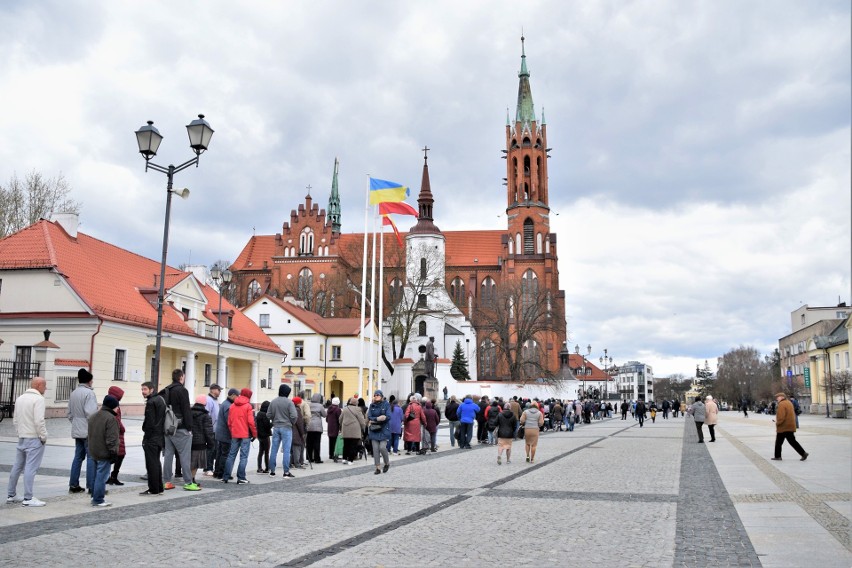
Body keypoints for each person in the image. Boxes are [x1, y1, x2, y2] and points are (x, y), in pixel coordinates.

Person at [6, 377, 48, 507]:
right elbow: (39, 421)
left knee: (17, 466)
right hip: (34, 437)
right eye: (44, 386)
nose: (45, 389)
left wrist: (20, 432)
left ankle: (11, 494)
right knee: (31, 467)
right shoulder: (39, 399)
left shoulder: (20, 398)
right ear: (39, 385)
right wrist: (43, 436)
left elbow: (15, 419)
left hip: (22, 436)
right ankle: (28, 497)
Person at [160, 369, 194, 491]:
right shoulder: (182, 390)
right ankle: (188, 482)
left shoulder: (166, 390)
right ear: (181, 377)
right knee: (184, 455)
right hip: (180, 427)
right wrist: (189, 427)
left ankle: (167, 481)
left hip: (168, 426)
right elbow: (186, 409)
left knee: (168, 454)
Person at [67, 368, 97, 494]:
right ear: (89, 381)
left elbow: (69, 413)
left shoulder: (73, 393)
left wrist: (76, 423)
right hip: (88, 429)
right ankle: (91, 486)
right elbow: (91, 413)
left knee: (78, 457)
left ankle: (73, 484)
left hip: (76, 428)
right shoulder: (89, 393)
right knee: (91, 457)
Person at [88, 395, 120, 507]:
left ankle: (94, 495)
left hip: (93, 451)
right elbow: (112, 439)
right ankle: (98, 499)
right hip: (104, 452)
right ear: (112, 407)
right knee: (102, 476)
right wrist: (113, 453)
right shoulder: (111, 419)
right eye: (117, 407)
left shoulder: (93, 416)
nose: (118, 409)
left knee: (95, 475)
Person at [222, 388, 256, 484]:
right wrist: (254, 434)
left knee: (231, 455)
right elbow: (251, 422)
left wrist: (232, 431)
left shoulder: (232, 405)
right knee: (243, 456)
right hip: (245, 434)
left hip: (235, 434)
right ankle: (241, 477)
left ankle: (226, 476)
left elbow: (229, 422)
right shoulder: (248, 406)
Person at [139, 381, 165, 496]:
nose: (143, 392)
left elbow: (149, 423)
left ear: (151, 390)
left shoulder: (151, 402)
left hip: (152, 437)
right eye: (142, 389)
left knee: (151, 464)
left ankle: (153, 489)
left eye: (145, 389)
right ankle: (159, 487)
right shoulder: (160, 399)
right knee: (156, 462)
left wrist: (146, 436)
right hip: (159, 436)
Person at [267, 384, 297, 478]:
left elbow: (268, 414)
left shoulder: (273, 402)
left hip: (276, 427)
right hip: (287, 427)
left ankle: (272, 471)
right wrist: (292, 422)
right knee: (286, 450)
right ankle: (286, 472)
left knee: (273, 450)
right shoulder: (289, 402)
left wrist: (274, 419)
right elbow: (294, 416)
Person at [771, 392, 808, 461]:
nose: (777, 398)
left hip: (783, 427)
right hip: (789, 425)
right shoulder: (788, 402)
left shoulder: (782, 404)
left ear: (782, 397)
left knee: (779, 442)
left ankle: (778, 456)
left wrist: (778, 423)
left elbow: (781, 416)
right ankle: (803, 453)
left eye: (778, 397)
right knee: (792, 441)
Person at [189, 395, 214, 489]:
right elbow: (208, 431)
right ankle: (191, 479)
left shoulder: (189, 413)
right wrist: (211, 443)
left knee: (189, 461)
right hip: (200, 442)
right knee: (195, 463)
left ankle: (190, 479)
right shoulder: (205, 416)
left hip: (188, 440)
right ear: (205, 404)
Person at [213, 389, 238, 479]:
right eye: (237, 396)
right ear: (233, 395)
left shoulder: (224, 403)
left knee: (220, 453)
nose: (237, 398)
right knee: (225, 454)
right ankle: (222, 473)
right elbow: (229, 421)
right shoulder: (229, 405)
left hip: (220, 433)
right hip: (225, 434)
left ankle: (217, 472)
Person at [366, 390, 391, 474]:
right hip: (374, 429)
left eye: (378, 395)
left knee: (382, 447)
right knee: (375, 449)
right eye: (375, 395)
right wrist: (377, 419)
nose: (376, 396)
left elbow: (388, 416)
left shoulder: (386, 404)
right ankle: (377, 467)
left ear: (381, 396)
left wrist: (383, 418)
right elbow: (369, 416)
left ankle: (387, 463)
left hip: (383, 429)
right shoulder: (372, 405)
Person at [106, 386, 126, 486]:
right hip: (117, 434)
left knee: (113, 455)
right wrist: (123, 429)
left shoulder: (107, 402)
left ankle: (108, 477)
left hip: (111, 433)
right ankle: (113, 477)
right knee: (120, 455)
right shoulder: (115, 405)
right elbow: (117, 421)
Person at [339, 397, 366, 464]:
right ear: (356, 403)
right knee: (353, 445)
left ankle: (344, 459)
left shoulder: (345, 409)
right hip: (355, 430)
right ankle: (350, 460)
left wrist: (342, 425)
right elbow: (361, 420)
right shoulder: (358, 409)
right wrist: (363, 427)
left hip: (346, 429)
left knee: (346, 445)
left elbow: (340, 419)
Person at [204, 384, 221, 476]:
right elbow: (207, 414)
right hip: (211, 428)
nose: (220, 392)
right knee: (211, 448)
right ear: (213, 390)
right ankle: (208, 468)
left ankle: (210, 467)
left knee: (214, 449)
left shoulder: (215, 400)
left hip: (216, 429)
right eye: (218, 390)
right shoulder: (209, 400)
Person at [306, 393, 327, 464]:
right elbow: (324, 415)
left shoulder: (308, 404)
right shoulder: (320, 406)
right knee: (317, 443)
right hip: (317, 426)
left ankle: (309, 458)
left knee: (309, 443)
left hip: (309, 425)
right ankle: (317, 458)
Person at [255, 400, 272, 473]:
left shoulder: (258, 414)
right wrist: (273, 423)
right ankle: (267, 467)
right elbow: (267, 426)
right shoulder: (265, 415)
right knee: (267, 452)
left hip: (259, 436)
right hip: (265, 436)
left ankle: (259, 467)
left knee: (260, 452)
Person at [291, 396, 307, 468]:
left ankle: (292, 462)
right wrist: (302, 432)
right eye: (300, 402)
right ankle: (297, 463)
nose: (301, 404)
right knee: (297, 446)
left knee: (293, 447)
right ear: (298, 403)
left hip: (291, 430)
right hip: (296, 431)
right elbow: (299, 422)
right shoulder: (297, 410)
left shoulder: (291, 408)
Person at [326, 396, 342, 462]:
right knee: (335, 441)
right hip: (335, 427)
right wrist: (340, 427)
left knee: (331, 441)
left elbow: (327, 419)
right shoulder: (338, 410)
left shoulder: (329, 409)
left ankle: (330, 454)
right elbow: (340, 419)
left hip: (330, 426)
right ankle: (334, 454)